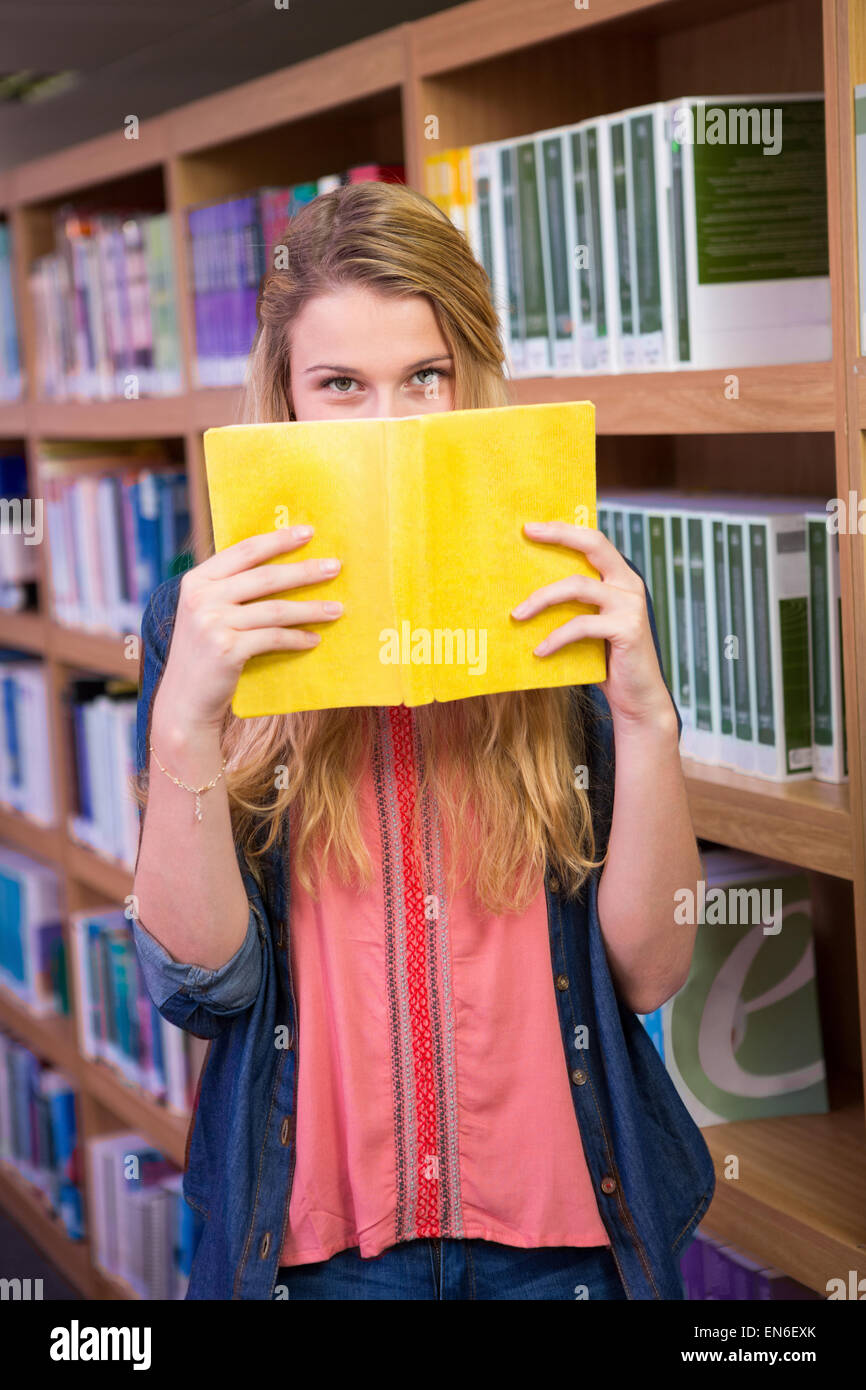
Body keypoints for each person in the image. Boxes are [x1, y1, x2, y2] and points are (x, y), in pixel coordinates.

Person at [131, 179, 715, 1300]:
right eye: (340, 386)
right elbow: (203, 987)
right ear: (286, 403)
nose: (389, 427)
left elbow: (650, 969)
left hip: (564, 1244)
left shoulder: (578, 601)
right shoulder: (196, 626)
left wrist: (643, 715)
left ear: (471, 385)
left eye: (423, 378)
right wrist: (187, 721)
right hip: (315, 1252)